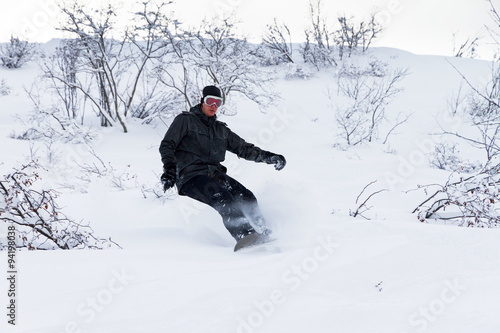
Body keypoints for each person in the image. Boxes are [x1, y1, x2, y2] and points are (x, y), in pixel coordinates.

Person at [159, 85, 286, 242]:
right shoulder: (185, 120)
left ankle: (262, 231)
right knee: (223, 198)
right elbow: (167, 145)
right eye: (210, 101)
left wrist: (269, 157)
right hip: (191, 176)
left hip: (214, 175)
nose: (214, 106)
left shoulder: (221, 130)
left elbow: (244, 148)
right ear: (202, 101)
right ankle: (246, 236)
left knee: (246, 196)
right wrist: (170, 170)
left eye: (217, 103)